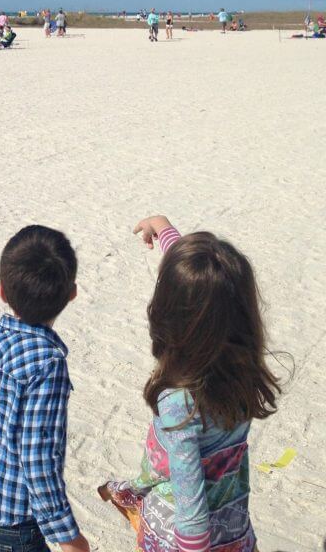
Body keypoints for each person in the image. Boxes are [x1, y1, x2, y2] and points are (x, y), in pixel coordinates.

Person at [99, 215, 281, 552]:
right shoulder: (244, 371)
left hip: (177, 539)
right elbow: (207, 286)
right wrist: (165, 230)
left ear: (167, 316)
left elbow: (190, 505)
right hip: (234, 530)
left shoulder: (179, 404)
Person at [0, 226, 89, 552]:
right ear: (72, 293)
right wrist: (67, 536)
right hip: (17, 526)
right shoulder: (47, 365)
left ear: (1, 291)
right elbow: (37, 457)